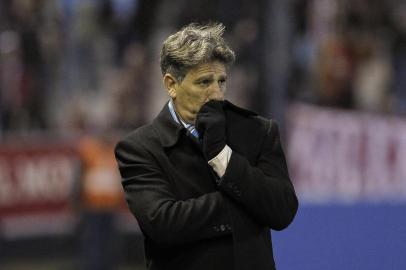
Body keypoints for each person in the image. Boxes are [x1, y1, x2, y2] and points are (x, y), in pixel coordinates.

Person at [114, 22, 298, 270]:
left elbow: (282, 209)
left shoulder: (258, 132)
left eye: (221, 81)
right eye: (203, 82)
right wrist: (247, 202)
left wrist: (224, 158)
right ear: (171, 85)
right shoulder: (140, 148)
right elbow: (163, 224)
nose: (217, 94)